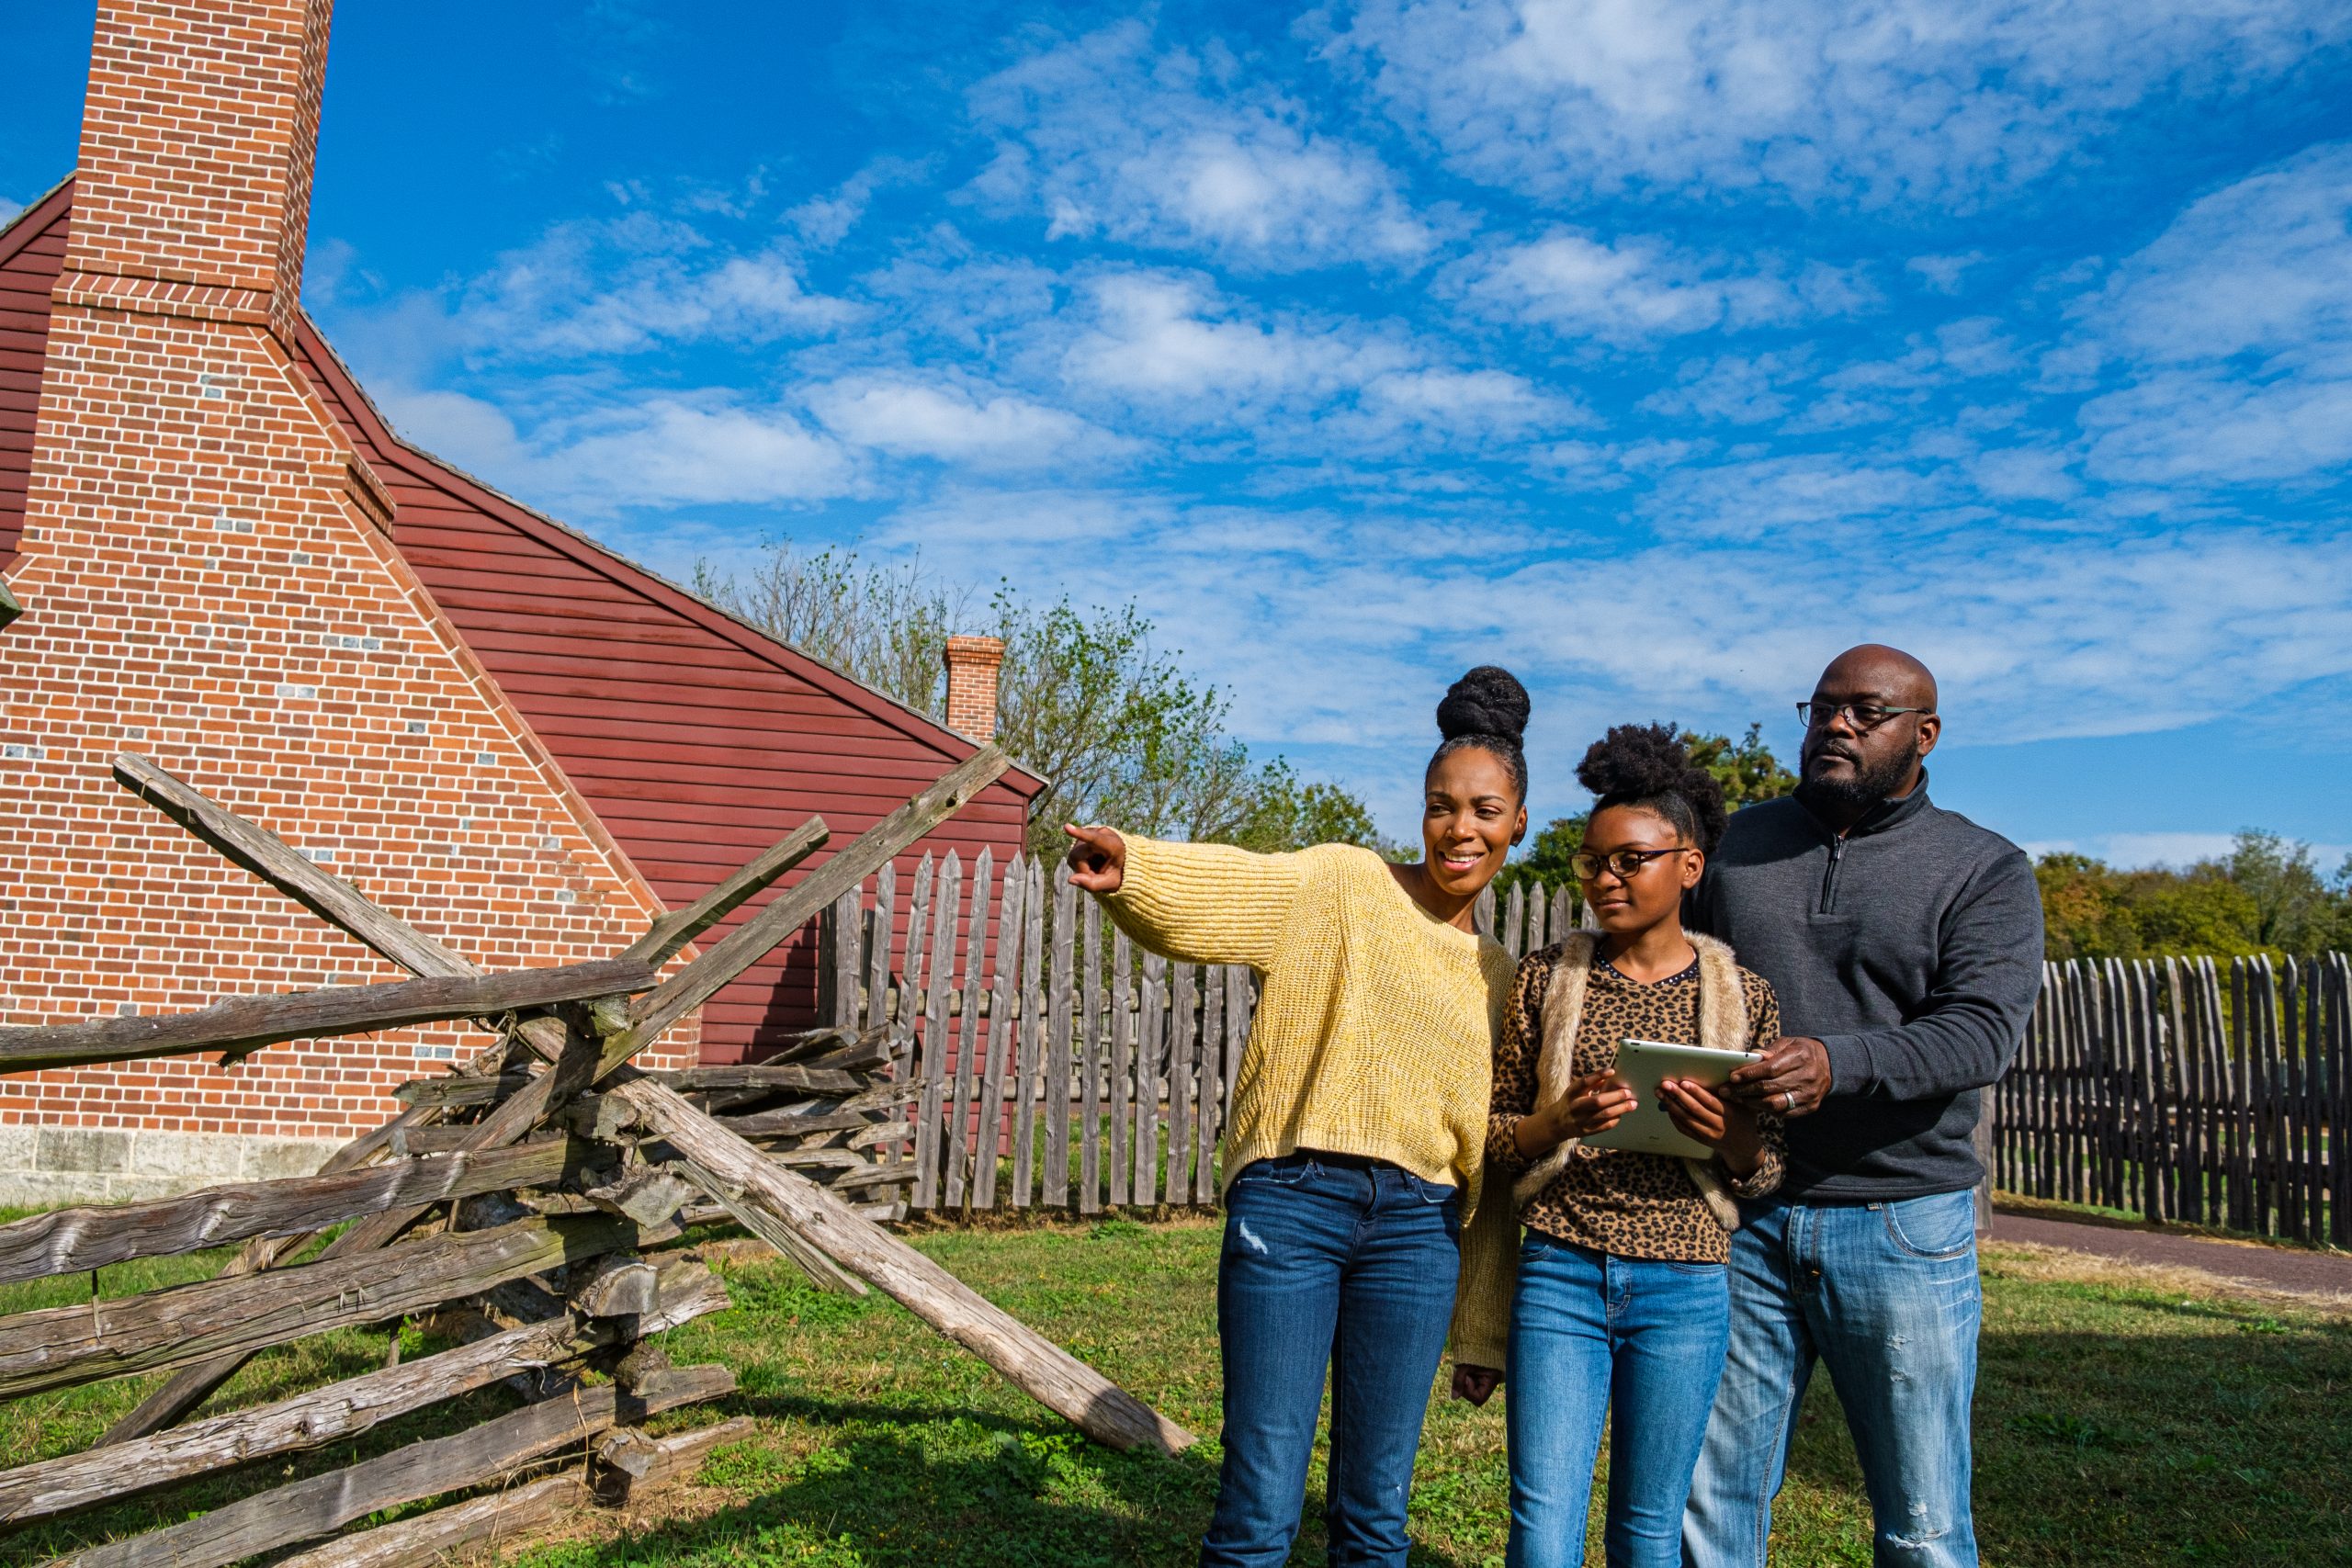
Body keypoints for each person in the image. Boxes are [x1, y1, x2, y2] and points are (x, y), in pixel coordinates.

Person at [1064, 667, 1528, 1568]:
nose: (1458, 828)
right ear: (1421, 811)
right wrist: (1137, 868)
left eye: (1482, 810)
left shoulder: (1501, 978)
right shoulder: (1341, 883)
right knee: (1259, 1504)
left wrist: (1478, 1326)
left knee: (1373, 1514)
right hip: (1292, 1202)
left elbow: (1488, 1164)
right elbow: (1233, 890)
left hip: (1418, 1232)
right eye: (1440, 806)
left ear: (1517, 825)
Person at [1679, 645, 2045, 1568]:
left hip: (1901, 1224)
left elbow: (1977, 1036)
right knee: (1711, 1503)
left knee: (1920, 1526)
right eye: (1820, 708)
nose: (1835, 725)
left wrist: (1833, 1064)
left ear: (1923, 735)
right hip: (1743, 1215)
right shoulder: (1734, 848)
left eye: (1865, 711)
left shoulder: (1983, 868)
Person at [1451, 724, 1787, 1568]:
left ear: (1690, 864)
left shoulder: (1743, 996)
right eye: (1593, 861)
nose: (1606, 878)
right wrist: (1557, 1122)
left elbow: (1768, 1164)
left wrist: (1728, 1135)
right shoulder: (1548, 977)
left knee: (1647, 1526)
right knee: (1542, 1522)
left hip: (1687, 1288)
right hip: (1560, 1273)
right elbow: (1490, 1134)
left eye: (1630, 860)